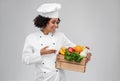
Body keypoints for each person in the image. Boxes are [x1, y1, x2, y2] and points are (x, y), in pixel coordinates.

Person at [22, 3, 76, 81]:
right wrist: (40, 53)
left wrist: (86, 54)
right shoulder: (32, 38)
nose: (56, 25)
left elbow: (75, 48)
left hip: (59, 78)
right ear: (44, 22)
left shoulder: (60, 36)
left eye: (57, 22)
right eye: (53, 22)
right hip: (42, 79)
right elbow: (25, 59)